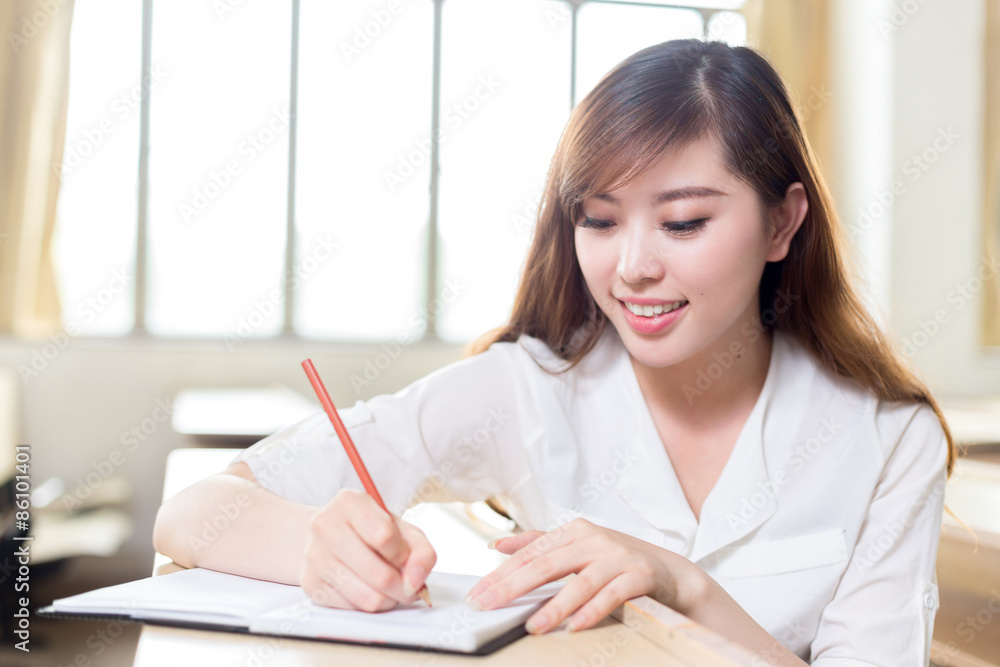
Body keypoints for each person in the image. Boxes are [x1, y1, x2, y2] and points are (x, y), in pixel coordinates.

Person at [153, 38, 955, 666]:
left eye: (682, 222)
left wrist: (685, 587)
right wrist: (318, 550)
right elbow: (191, 514)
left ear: (783, 223)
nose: (632, 264)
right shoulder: (530, 389)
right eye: (599, 220)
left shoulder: (888, 438)